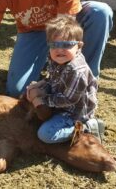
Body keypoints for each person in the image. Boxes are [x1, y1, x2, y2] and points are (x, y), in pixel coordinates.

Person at [26, 15, 104, 143]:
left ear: (79, 46)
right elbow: (52, 78)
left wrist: (43, 99)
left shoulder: (77, 71)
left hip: (73, 111)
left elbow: (68, 100)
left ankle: (86, 127)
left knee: (46, 134)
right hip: (59, 95)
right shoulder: (56, 58)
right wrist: (41, 84)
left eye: (66, 45)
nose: (59, 49)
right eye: (54, 44)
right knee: (33, 90)